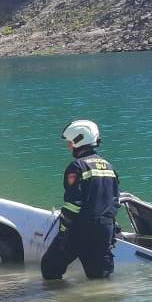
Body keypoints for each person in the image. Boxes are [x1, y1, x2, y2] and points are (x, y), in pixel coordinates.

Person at [41, 119, 120, 281]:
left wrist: (63, 232)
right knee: (99, 278)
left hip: (81, 228)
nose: (68, 146)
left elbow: (73, 204)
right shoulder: (109, 167)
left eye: (70, 142)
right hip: (105, 230)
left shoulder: (77, 167)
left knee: (50, 267)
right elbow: (114, 201)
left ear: (79, 139)